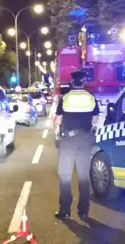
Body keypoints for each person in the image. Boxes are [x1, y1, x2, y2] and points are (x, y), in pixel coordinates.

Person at [54, 69, 99, 220]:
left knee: (65, 175)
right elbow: (95, 121)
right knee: (83, 176)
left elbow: (58, 120)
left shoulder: (65, 98)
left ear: (72, 82)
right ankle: (84, 211)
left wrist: (58, 131)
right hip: (85, 140)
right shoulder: (91, 98)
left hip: (68, 141)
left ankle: (65, 210)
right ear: (84, 81)